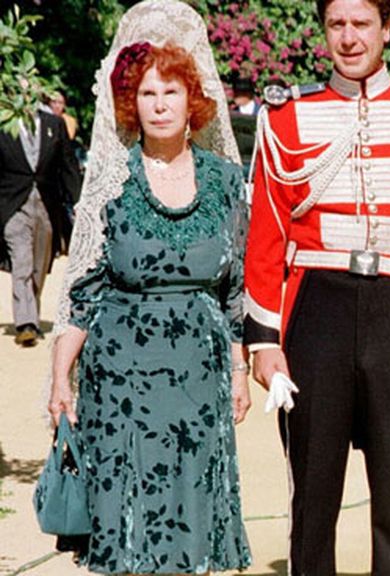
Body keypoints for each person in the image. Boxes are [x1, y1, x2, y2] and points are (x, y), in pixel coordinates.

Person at [243, 0, 390, 573]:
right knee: (314, 493)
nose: (349, 38)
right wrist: (264, 340)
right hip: (315, 308)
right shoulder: (287, 116)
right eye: (336, 25)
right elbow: (267, 237)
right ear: (324, 30)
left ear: (387, 29)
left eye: (362, 24)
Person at [45, 1, 252, 573]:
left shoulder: (227, 181)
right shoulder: (112, 183)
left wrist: (238, 370)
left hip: (198, 375)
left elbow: (234, 289)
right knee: (126, 523)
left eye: (171, 93)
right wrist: (62, 377)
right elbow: (81, 291)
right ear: (131, 105)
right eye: (147, 94)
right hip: (120, 380)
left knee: (188, 518)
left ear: (194, 102)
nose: (159, 106)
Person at [0, 103, 80, 347]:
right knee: (21, 261)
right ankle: (26, 322)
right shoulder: (3, 124)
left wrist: (77, 200)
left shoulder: (53, 124)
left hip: (47, 203)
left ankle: (30, 309)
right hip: (12, 203)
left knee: (39, 263)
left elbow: (67, 164)